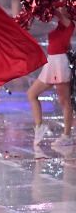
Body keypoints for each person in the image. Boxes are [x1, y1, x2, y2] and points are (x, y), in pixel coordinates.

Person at [29, 11, 75, 149]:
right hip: (52, 62)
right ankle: (39, 125)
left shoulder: (69, 24)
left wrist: (49, 6)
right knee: (31, 93)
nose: (60, 10)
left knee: (65, 101)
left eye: (63, 7)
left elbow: (59, 13)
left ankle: (67, 136)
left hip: (60, 63)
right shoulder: (62, 25)